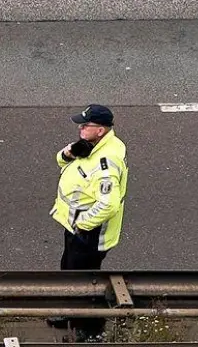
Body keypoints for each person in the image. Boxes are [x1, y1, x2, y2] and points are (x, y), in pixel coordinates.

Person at [49, 104, 128, 342]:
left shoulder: (106, 163)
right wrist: (69, 154)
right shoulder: (91, 146)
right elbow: (62, 162)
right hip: (74, 224)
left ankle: (92, 329)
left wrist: (82, 225)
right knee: (69, 270)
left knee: (86, 282)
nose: (80, 128)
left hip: (89, 231)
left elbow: (108, 204)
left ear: (101, 130)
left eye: (86, 125)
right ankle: (70, 311)